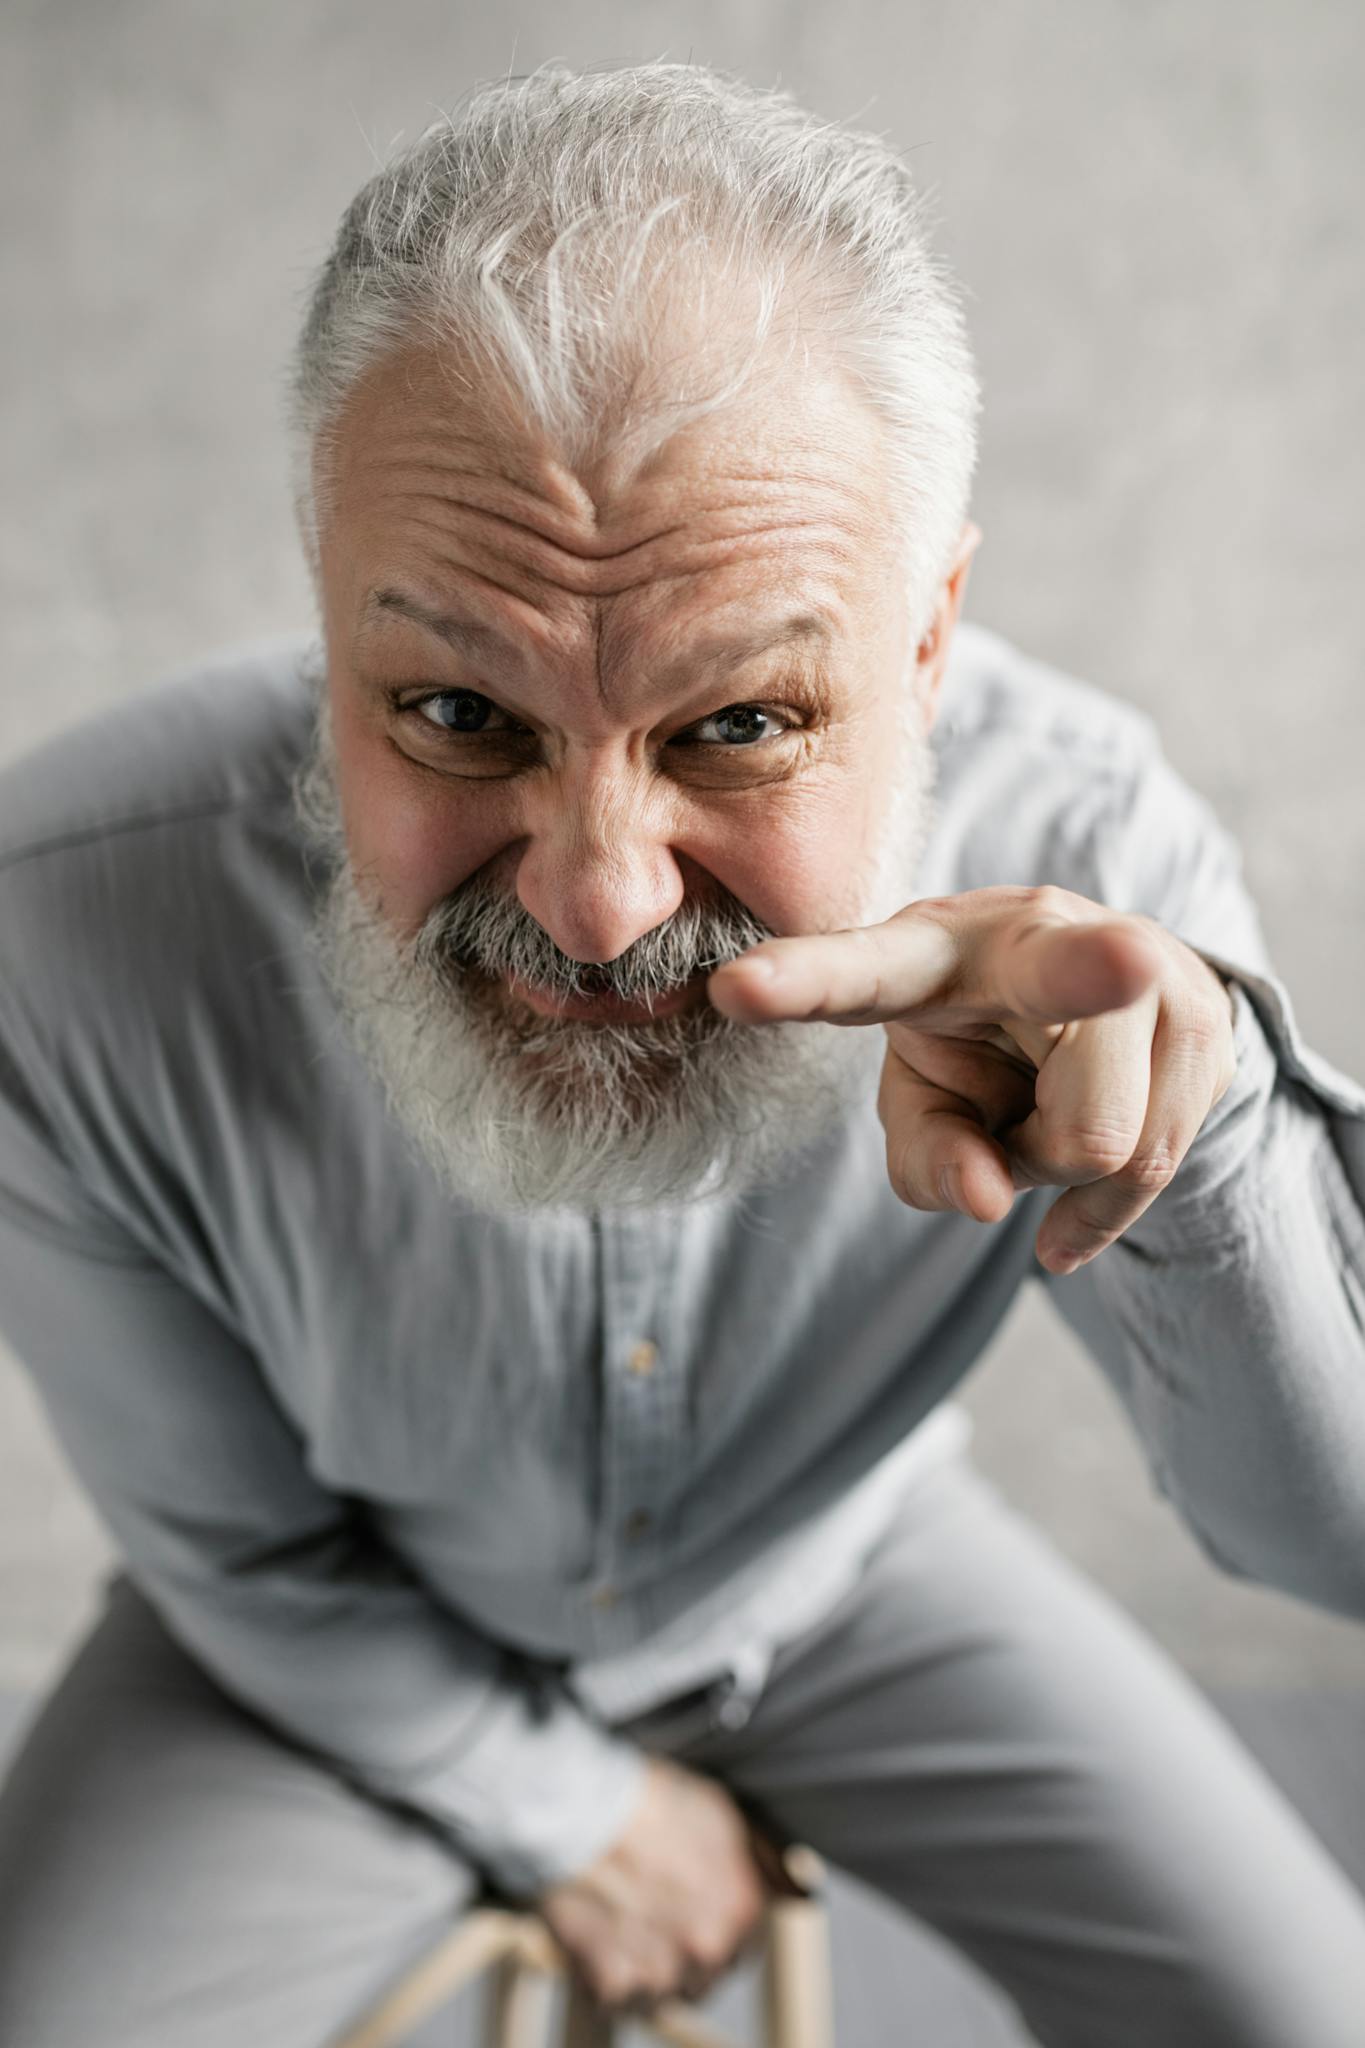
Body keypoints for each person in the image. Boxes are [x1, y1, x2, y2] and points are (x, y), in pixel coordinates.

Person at [0, 60, 1362, 2048]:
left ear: (927, 639)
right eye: (461, 711)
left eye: (734, 723)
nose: (596, 905)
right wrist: (572, 1811)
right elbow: (231, 1541)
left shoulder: (1086, 871)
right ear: (321, 607)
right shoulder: (60, 931)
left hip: (836, 1577)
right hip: (321, 1637)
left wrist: (1203, 1141)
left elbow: (1318, 1539)